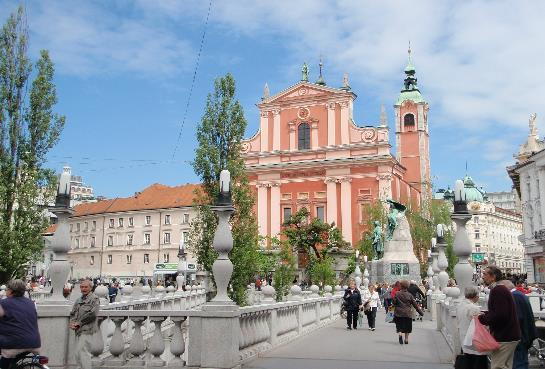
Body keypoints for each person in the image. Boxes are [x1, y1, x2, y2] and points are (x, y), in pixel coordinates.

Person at [478, 266, 521, 369]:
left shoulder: (498, 290)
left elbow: (501, 315)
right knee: (505, 365)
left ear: (493, 277)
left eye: (485, 274)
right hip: (510, 335)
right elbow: (500, 311)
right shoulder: (501, 289)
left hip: (504, 336)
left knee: (498, 366)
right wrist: (486, 314)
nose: (483, 277)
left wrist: (483, 318)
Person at [0, 279, 41, 369]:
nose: (5, 291)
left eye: (7, 289)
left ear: (11, 291)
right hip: (34, 343)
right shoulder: (31, 303)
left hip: (13, 343)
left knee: (6, 358)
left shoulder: (4, 303)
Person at [498, 280, 537, 369]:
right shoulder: (519, 295)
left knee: (518, 363)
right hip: (524, 335)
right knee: (521, 361)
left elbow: (518, 318)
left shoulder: (514, 297)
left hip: (519, 337)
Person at [70, 278, 100, 369]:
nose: (83, 289)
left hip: (88, 330)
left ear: (90, 288)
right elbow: (73, 313)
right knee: (77, 355)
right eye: (82, 287)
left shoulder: (94, 298)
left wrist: (79, 323)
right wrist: (72, 322)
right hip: (78, 330)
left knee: (84, 353)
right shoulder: (78, 300)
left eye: (86, 287)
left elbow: (93, 314)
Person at [457, 286, 487, 369]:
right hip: (472, 339)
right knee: (476, 362)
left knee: (468, 360)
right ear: (476, 296)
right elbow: (479, 324)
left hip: (463, 335)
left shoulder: (460, 305)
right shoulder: (473, 308)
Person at [393, 280, 423, 344]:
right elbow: (415, 305)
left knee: (399, 325)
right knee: (407, 327)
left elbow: (394, 302)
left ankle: (400, 334)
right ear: (407, 286)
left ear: (401, 286)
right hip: (407, 313)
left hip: (398, 313)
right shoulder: (410, 295)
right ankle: (406, 339)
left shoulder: (397, 293)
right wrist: (420, 312)